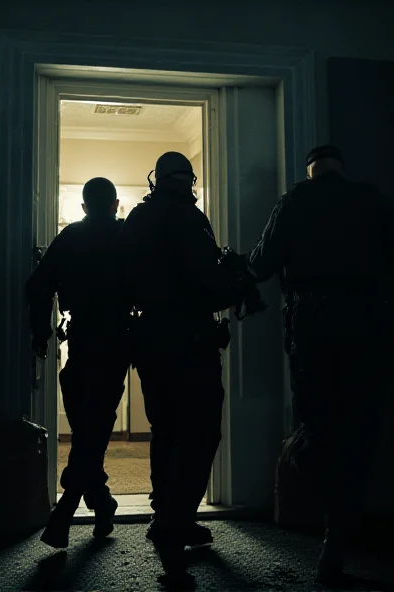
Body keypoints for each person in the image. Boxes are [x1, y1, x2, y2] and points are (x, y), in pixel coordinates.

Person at [245, 145, 394, 585]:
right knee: (360, 429)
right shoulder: (375, 202)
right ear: (342, 170)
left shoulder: (295, 201)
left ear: (311, 171)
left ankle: (332, 526)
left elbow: (261, 265)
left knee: (319, 427)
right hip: (371, 329)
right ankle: (340, 532)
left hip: (313, 328)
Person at [120, 152, 253, 567]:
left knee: (166, 430)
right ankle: (177, 520)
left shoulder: (137, 221)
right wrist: (234, 281)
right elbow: (208, 285)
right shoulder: (190, 219)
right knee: (200, 433)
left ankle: (168, 517)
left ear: (155, 179)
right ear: (188, 180)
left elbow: (124, 280)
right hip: (190, 341)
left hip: (149, 339)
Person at [25, 177, 131, 549]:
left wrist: (42, 333)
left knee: (90, 426)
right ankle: (102, 500)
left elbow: (37, 286)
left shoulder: (71, 237)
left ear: (84, 207)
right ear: (116, 204)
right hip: (115, 343)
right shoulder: (126, 237)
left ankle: (65, 511)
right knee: (92, 428)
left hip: (88, 343)